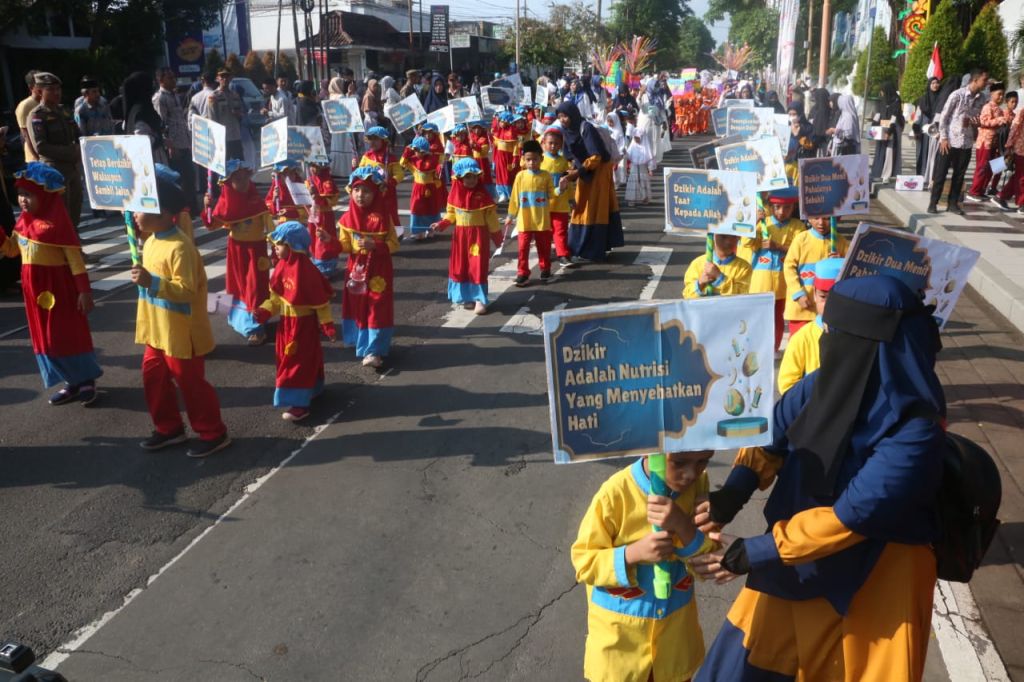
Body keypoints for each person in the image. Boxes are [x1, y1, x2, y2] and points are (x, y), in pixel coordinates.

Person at [691, 275, 945, 682]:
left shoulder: (916, 431)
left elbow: (853, 514)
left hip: (877, 581)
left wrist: (751, 553)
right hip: (797, 560)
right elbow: (771, 438)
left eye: (834, 332)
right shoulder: (820, 386)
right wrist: (733, 493)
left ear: (868, 344)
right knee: (744, 666)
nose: (824, 340)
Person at [571, 451, 717, 682]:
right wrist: (631, 554)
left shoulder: (699, 486)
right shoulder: (615, 494)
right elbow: (584, 562)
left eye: (703, 461)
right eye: (679, 462)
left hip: (674, 645)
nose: (690, 474)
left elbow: (708, 565)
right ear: (650, 448)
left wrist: (682, 524)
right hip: (621, 650)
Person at [129, 164, 230, 456]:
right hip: (156, 330)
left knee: (190, 384)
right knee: (153, 380)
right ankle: (168, 428)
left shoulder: (180, 247)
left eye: (141, 207)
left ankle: (213, 431)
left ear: (162, 213)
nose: (135, 213)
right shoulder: (149, 243)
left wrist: (152, 281)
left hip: (180, 332)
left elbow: (186, 291)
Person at [0, 163, 101, 404]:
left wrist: (84, 291)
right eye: (21, 194)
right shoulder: (23, 223)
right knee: (45, 338)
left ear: (45, 196)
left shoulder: (59, 225)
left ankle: (86, 379)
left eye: (29, 194)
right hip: (33, 293)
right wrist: (2, 239)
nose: (23, 200)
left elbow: (76, 262)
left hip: (60, 290)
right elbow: (13, 250)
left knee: (67, 334)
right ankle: (71, 381)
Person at [253, 221, 335, 421]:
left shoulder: (307, 271)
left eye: (279, 245)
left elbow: (320, 302)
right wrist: (264, 311)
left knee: (295, 362)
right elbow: (275, 297)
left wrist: (327, 324)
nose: (275, 248)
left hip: (302, 325)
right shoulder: (281, 267)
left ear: (292, 246)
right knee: (290, 358)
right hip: (285, 324)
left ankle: (299, 404)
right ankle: (313, 388)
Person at [334, 166, 399, 368]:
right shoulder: (346, 219)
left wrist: (376, 245)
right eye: (357, 190)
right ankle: (361, 343)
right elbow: (344, 245)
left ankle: (374, 350)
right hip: (356, 268)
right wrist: (329, 241)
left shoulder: (384, 217)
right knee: (358, 305)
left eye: (367, 191)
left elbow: (394, 244)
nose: (361, 195)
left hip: (379, 269)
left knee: (377, 306)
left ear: (376, 193)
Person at [203, 159, 274, 344]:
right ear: (227, 182)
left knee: (255, 288)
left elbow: (271, 228)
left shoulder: (256, 201)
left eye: (245, 177)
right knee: (236, 284)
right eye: (237, 178)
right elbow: (212, 224)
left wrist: (276, 247)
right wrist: (208, 207)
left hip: (256, 252)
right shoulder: (226, 203)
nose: (242, 182)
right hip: (236, 250)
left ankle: (256, 327)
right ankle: (235, 317)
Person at [430, 159, 502, 315]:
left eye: (474, 176)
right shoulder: (454, 195)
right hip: (460, 237)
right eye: (467, 177)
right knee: (461, 266)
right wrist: (441, 224)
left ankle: (479, 299)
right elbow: (451, 215)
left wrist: (497, 238)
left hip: (478, 236)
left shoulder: (483, 196)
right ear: (459, 178)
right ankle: (466, 296)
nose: (471, 180)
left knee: (477, 266)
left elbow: (492, 219)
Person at [556, 101, 625, 263]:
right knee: (582, 208)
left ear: (572, 114)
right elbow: (571, 156)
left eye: (565, 116)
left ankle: (593, 250)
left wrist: (577, 172)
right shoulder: (567, 131)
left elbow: (596, 156)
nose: (563, 120)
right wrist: (570, 171)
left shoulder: (585, 128)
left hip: (599, 171)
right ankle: (582, 248)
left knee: (593, 209)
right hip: (585, 171)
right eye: (560, 117)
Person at [739, 187, 804, 351]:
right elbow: (746, 243)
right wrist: (753, 222)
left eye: (787, 208)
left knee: (777, 318)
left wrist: (779, 246)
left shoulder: (798, 227)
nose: (782, 212)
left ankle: (774, 348)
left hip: (783, 284)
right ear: (770, 206)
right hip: (760, 283)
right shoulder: (763, 223)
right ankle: (753, 348)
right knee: (756, 318)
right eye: (777, 207)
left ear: (794, 207)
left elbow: (801, 251)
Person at [928, 68, 989, 215]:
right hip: (949, 141)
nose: (986, 83)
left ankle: (953, 203)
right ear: (975, 80)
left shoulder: (982, 99)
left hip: (966, 142)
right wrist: (943, 138)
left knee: (959, 175)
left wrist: (976, 123)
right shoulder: (957, 95)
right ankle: (933, 203)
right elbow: (944, 116)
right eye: (984, 80)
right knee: (941, 174)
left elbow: (979, 119)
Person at [777, 257, 843, 393]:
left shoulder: (858, 336)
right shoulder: (802, 339)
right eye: (823, 297)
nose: (830, 304)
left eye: (838, 298)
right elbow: (787, 386)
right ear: (814, 294)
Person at [28, 73, 84, 227]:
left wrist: (81, 147)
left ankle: (74, 245)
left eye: (58, 89)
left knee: (75, 209)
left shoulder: (64, 110)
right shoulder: (37, 116)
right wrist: (71, 152)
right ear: (40, 92)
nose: (57, 93)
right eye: (51, 89)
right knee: (61, 214)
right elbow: (41, 146)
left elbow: (78, 134)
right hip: (54, 170)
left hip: (72, 168)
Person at [505, 139, 560, 286]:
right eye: (528, 159)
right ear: (523, 160)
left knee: (544, 247)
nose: (531, 162)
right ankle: (522, 273)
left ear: (541, 159)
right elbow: (515, 198)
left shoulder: (546, 175)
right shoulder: (520, 176)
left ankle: (545, 270)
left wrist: (560, 188)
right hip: (524, 220)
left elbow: (551, 194)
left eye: (535, 159)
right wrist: (510, 215)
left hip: (541, 220)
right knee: (523, 248)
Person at [784, 215, 848, 335]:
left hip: (828, 308)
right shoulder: (801, 239)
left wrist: (841, 261)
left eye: (827, 218)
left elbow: (848, 271)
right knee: (799, 343)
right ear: (808, 218)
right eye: (816, 218)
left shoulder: (841, 241)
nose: (821, 223)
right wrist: (798, 294)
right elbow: (789, 267)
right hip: (802, 307)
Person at [153, 68, 196, 214]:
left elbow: (180, 120)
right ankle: (181, 210)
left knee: (189, 177)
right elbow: (161, 124)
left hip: (184, 142)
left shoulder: (175, 95)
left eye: (174, 77)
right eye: (170, 78)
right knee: (178, 178)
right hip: (173, 146)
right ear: (161, 80)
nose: (174, 80)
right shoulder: (160, 98)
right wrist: (169, 144)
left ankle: (192, 208)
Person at [966, 82, 1012, 202]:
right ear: (991, 94)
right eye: (999, 94)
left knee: (991, 168)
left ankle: (982, 190)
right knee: (982, 167)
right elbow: (984, 122)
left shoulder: (1000, 110)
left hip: (995, 144)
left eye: (1003, 95)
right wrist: (998, 120)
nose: (1001, 97)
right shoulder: (988, 107)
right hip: (985, 143)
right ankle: (973, 191)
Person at [358, 126, 404, 236]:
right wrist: (355, 168)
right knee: (372, 214)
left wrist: (390, 183)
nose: (372, 142)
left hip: (386, 193)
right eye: (370, 139)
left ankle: (395, 236)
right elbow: (360, 172)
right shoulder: (366, 156)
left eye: (376, 139)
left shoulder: (391, 158)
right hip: (371, 192)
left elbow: (399, 174)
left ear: (383, 141)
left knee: (389, 214)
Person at [540, 127, 573, 268]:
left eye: (556, 143)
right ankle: (545, 253)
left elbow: (568, 181)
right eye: (550, 143)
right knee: (546, 231)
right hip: (544, 203)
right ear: (544, 144)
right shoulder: (540, 161)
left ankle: (562, 254)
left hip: (560, 202)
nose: (553, 146)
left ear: (561, 145)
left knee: (560, 229)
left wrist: (571, 197)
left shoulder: (563, 162)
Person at [400, 135, 444, 240]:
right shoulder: (413, 160)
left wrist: (439, 170)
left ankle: (431, 229)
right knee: (416, 209)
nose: (415, 153)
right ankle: (418, 231)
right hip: (418, 188)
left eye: (417, 150)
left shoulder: (432, 160)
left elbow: (436, 170)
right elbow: (402, 163)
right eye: (414, 150)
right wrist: (407, 150)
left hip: (430, 189)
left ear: (423, 151)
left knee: (431, 209)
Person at [683, 232, 752, 299]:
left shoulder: (744, 267)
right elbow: (687, 295)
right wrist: (700, 283)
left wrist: (720, 278)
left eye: (733, 237)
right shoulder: (698, 263)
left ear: (738, 238)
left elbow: (741, 298)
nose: (728, 241)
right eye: (723, 236)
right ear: (714, 236)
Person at [306, 154, 341, 276]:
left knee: (323, 239)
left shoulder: (327, 181)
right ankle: (315, 261)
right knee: (313, 238)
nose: (313, 169)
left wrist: (317, 197)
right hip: (313, 214)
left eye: (315, 166)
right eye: (311, 166)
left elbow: (332, 200)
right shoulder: (310, 179)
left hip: (324, 215)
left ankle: (326, 265)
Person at [207, 69, 245, 161]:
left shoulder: (235, 95)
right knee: (224, 166)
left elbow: (242, 113)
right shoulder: (213, 96)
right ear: (217, 79)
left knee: (239, 165)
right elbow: (212, 118)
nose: (225, 79)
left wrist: (239, 114)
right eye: (222, 77)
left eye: (227, 77)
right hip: (222, 138)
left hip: (235, 135)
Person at [994, 101, 1024, 212]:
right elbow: (1014, 129)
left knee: (1019, 176)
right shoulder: (1022, 111)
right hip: (1020, 148)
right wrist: (1009, 145)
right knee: (1021, 176)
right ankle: (1021, 203)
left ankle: (1001, 196)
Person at [913, 77, 942, 177]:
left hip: (936, 131)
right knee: (922, 153)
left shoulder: (941, 99)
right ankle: (921, 175)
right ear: (929, 85)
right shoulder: (923, 99)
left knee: (934, 155)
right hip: (924, 131)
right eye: (933, 83)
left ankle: (931, 177)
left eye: (937, 83)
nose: (935, 85)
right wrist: (916, 130)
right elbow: (917, 116)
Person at [492, 112, 520, 203]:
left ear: (507, 121)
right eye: (499, 121)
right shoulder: (499, 132)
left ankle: (510, 194)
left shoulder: (512, 132)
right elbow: (496, 144)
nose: (500, 123)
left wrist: (515, 159)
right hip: (499, 157)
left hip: (508, 158)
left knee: (507, 176)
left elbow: (516, 148)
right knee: (499, 176)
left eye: (502, 121)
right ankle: (502, 194)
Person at [785, 105, 816, 182]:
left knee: (799, 186)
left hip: (801, 161)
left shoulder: (808, 127)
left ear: (800, 114)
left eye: (794, 114)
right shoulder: (785, 126)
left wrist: (798, 135)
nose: (792, 116)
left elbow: (811, 144)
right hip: (787, 161)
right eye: (790, 114)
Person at [624, 127, 654, 206]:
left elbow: (650, 158)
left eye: (638, 138)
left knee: (643, 182)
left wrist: (650, 169)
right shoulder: (633, 145)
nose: (636, 140)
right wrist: (625, 153)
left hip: (642, 168)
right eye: (635, 138)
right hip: (634, 167)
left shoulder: (646, 147)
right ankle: (632, 199)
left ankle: (644, 197)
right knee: (633, 182)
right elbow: (629, 156)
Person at [16, 70, 41, 162]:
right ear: (31, 87)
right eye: (39, 83)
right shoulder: (24, 106)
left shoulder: (47, 103)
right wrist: (37, 158)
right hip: (35, 159)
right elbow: (26, 135)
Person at [808, 88, 833, 157]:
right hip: (827, 143)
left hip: (813, 141)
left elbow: (809, 122)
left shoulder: (814, 110)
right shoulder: (831, 111)